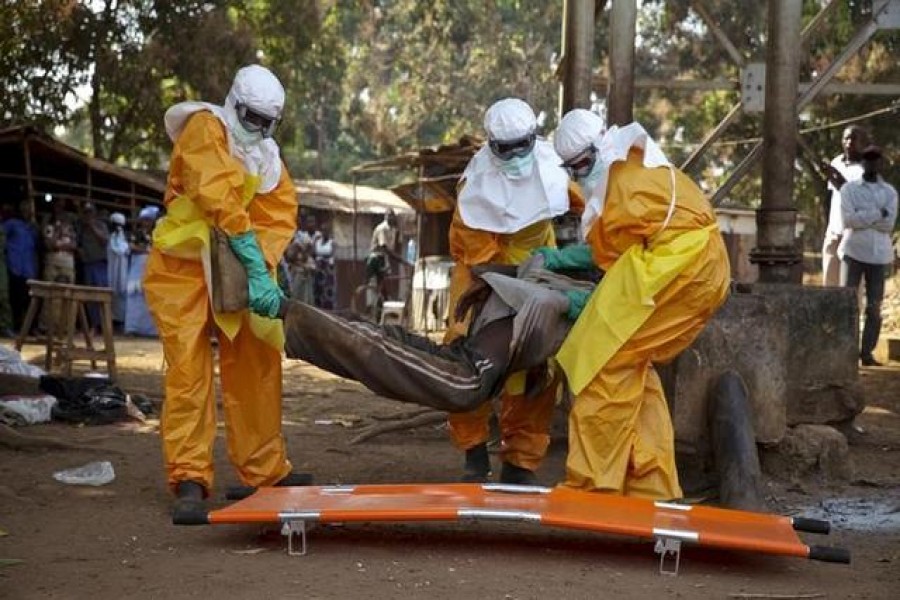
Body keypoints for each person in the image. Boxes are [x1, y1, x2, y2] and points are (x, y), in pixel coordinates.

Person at [143, 64, 309, 519]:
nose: (257, 129)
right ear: (234, 103)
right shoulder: (204, 127)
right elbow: (217, 194)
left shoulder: (270, 159)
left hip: (237, 266)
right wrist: (253, 260)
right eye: (250, 117)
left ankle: (263, 470)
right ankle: (190, 478)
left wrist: (265, 268)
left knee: (258, 359)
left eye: (266, 122)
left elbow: (278, 216)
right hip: (183, 268)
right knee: (188, 369)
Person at [544, 108, 730, 499]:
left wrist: (580, 297)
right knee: (632, 369)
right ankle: (651, 486)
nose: (578, 175)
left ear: (598, 150)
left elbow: (610, 260)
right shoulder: (635, 164)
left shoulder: (621, 194)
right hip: (697, 267)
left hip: (680, 271)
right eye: (572, 169)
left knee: (601, 363)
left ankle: (593, 487)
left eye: (580, 166)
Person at [445, 97, 583, 485]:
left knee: (541, 362)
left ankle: (521, 461)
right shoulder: (474, 188)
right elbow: (480, 258)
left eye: (524, 145)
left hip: (541, 265)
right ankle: (473, 450)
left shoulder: (554, 166)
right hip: (482, 274)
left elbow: (590, 204)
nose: (519, 154)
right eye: (509, 149)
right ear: (492, 146)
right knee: (467, 352)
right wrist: (522, 277)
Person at [838, 144, 898, 367]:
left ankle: (866, 353)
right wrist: (877, 213)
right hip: (853, 251)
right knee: (849, 304)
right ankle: (846, 351)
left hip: (879, 255)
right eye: (868, 159)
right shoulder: (849, 190)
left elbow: (888, 224)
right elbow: (848, 221)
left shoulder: (889, 192)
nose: (872, 163)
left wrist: (864, 217)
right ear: (862, 162)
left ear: (880, 163)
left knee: (874, 306)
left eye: (876, 159)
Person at [821, 126, 869, 286]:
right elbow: (831, 197)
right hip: (834, 233)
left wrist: (837, 178)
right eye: (846, 138)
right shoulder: (836, 162)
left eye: (854, 139)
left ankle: (854, 312)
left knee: (851, 287)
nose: (849, 143)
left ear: (862, 143)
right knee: (830, 283)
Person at [2, 200, 40, 334]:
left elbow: (36, 247)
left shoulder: (33, 228)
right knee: (15, 300)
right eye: (24, 209)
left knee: (30, 300)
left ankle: (30, 328)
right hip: (15, 266)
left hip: (29, 269)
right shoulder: (13, 224)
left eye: (28, 209)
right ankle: (16, 327)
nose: (26, 212)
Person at [124, 206, 159, 337]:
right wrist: (146, 251)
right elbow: (131, 247)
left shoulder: (157, 233)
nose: (146, 223)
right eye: (144, 220)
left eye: (148, 220)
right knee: (135, 296)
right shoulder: (136, 233)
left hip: (152, 266)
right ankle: (132, 328)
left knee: (150, 297)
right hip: (138, 266)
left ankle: (151, 331)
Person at [78, 202, 110, 332]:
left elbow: (104, 240)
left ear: (94, 213)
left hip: (100, 263)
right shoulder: (81, 228)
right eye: (85, 212)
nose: (87, 215)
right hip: (88, 264)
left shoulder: (100, 225)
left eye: (90, 212)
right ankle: (95, 325)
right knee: (90, 295)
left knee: (102, 294)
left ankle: (105, 325)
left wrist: (92, 226)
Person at [366, 209, 402, 301]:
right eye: (389, 215)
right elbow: (384, 247)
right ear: (385, 216)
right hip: (376, 258)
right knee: (374, 284)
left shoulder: (393, 230)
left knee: (383, 284)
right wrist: (399, 259)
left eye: (392, 216)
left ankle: (382, 305)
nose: (391, 218)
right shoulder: (382, 228)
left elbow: (392, 248)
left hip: (384, 258)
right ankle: (371, 306)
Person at [107, 212, 130, 329]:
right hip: (112, 269)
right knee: (112, 295)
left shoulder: (124, 238)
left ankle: (121, 322)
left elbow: (122, 250)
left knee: (122, 296)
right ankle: (113, 321)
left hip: (123, 270)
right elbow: (115, 249)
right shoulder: (111, 237)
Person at [313, 221, 335, 309]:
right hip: (318, 268)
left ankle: (328, 308)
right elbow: (314, 252)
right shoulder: (317, 242)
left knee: (327, 289)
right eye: (323, 230)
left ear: (329, 232)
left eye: (326, 231)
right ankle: (318, 307)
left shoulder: (332, 242)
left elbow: (332, 253)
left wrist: (323, 257)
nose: (324, 232)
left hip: (328, 269)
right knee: (318, 289)